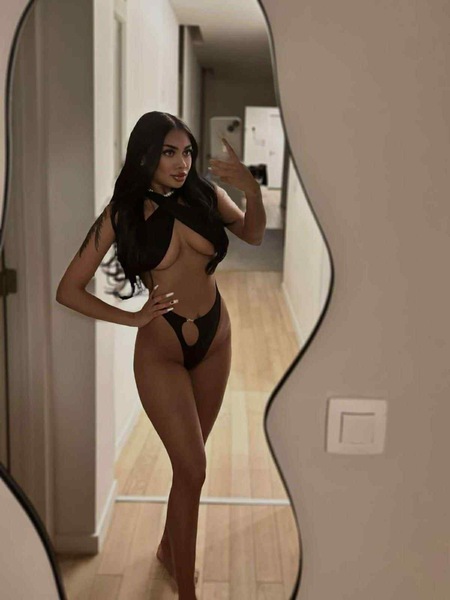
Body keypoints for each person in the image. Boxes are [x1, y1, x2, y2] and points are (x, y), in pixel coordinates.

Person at [55, 111, 266, 599]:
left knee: (190, 468)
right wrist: (131, 318)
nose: (182, 163)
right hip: (161, 348)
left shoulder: (205, 195)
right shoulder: (121, 213)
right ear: (145, 154)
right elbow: (68, 289)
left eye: (187, 152)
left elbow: (253, 234)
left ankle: (170, 552)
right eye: (169, 152)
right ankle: (186, 590)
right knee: (193, 468)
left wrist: (251, 191)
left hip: (216, 338)